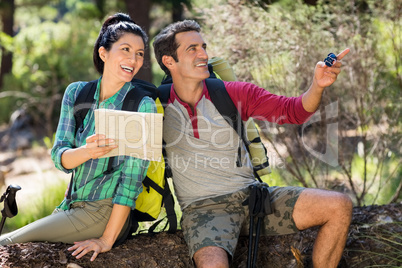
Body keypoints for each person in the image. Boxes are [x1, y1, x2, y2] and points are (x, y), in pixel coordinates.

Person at [153, 20, 353, 268]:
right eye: (192, 49)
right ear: (169, 61)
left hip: (254, 198)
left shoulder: (232, 93)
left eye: (203, 46)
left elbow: (293, 111)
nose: (203, 54)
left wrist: (317, 85)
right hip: (204, 210)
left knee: (339, 205)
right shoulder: (155, 107)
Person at [0, 13, 155, 262]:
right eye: (125, 49)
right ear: (103, 53)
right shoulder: (77, 93)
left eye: (139, 53)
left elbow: (131, 182)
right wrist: (88, 151)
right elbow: (60, 158)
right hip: (71, 207)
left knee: (6, 242)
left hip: (105, 212)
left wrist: (106, 240)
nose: (133, 59)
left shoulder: (141, 105)